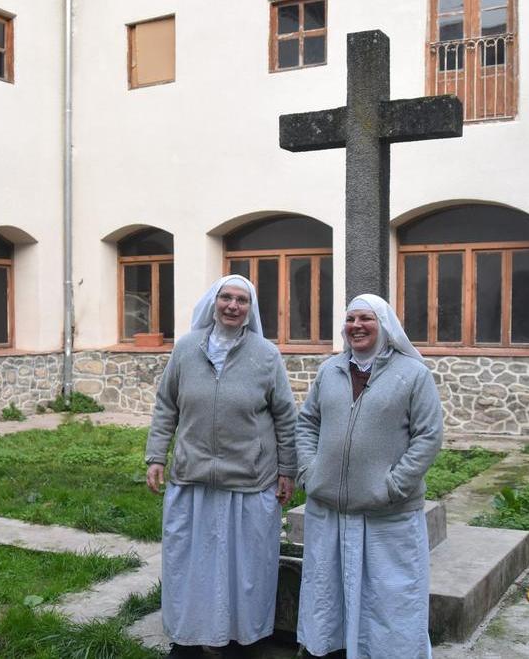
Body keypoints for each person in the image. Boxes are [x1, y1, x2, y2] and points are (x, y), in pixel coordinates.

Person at [145, 274, 298, 659]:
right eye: (226, 298)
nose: (233, 306)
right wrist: (155, 456)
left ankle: (242, 641)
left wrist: (287, 469)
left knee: (244, 570)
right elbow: (167, 406)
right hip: (193, 477)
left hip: (248, 480)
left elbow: (285, 417)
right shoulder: (185, 350)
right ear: (214, 303)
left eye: (241, 300)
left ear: (251, 309)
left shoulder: (266, 355)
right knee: (190, 566)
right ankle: (186, 641)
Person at [294, 294, 444, 659]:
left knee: (390, 595)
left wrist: (394, 486)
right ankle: (329, 650)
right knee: (327, 589)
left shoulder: (413, 374)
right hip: (329, 507)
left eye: (366, 319)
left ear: (384, 325)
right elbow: (307, 422)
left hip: (386, 512)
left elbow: (428, 436)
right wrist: (309, 471)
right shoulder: (330, 371)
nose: (356, 326)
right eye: (350, 319)